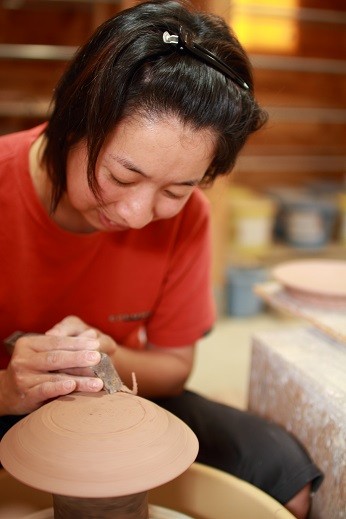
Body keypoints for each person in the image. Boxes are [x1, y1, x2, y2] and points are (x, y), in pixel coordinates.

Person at [0, 1, 322, 517]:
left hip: (120, 401)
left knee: (284, 477)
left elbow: (173, 369)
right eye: (123, 177)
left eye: (175, 189)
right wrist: (6, 389)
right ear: (70, 121)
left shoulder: (189, 219)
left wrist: (109, 358)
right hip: (6, 406)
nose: (135, 214)